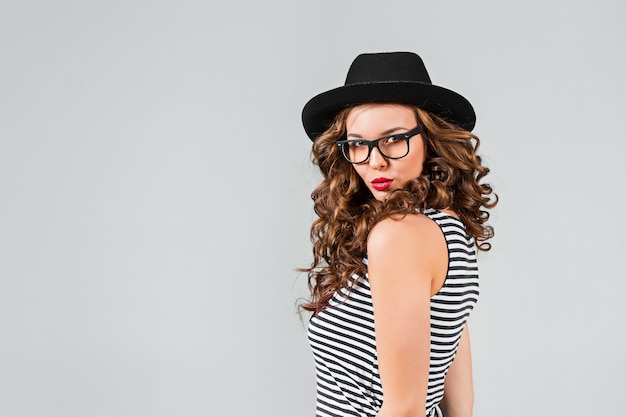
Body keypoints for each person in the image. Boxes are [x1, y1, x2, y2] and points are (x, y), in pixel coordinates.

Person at [299, 52, 497, 417]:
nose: (375, 161)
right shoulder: (448, 228)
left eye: (394, 139)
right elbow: (460, 402)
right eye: (357, 143)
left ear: (431, 138)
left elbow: (405, 409)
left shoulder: (398, 236)